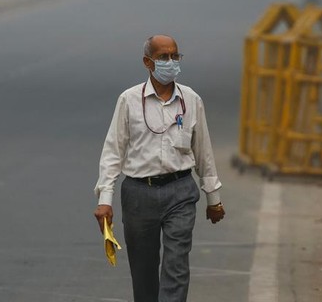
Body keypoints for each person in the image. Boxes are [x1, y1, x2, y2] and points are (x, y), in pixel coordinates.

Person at [94, 34, 225, 302]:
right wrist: (105, 200)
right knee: (143, 271)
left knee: (176, 265)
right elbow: (113, 152)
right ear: (147, 62)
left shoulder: (191, 100)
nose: (170, 62)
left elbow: (204, 152)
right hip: (139, 194)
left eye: (175, 56)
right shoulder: (129, 100)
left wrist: (214, 198)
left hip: (180, 192)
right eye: (163, 57)